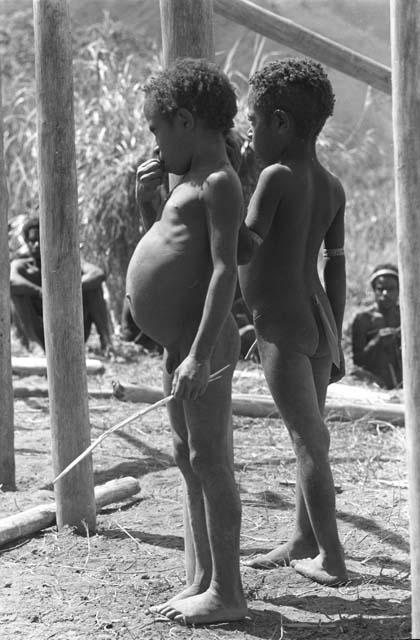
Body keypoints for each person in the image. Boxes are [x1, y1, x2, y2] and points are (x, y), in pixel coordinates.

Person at [125, 59, 247, 624]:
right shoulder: (187, 184)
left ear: (183, 120)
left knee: (210, 459)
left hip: (205, 344)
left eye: (155, 129)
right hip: (181, 344)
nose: (153, 142)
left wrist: (200, 354)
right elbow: (171, 244)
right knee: (184, 455)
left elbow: (225, 271)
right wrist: (148, 203)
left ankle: (228, 590)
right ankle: (201, 577)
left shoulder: (219, 183)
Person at [237, 57, 348, 586]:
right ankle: (304, 538)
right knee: (312, 436)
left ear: (280, 123)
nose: (250, 132)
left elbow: (242, 248)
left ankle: (331, 555)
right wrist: (337, 337)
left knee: (308, 442)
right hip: (318, 320)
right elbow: (337, 264)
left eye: (254, 122)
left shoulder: (274, 178)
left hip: (280, 324)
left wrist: (233, 179)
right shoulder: (331, 185)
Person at [10, 217, 113, 354]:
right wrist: (42, 292)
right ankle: (36, 347)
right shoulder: (22, 266)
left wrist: (67, 289)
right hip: (41, 334)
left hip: (72, 331)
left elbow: (97, 273)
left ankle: (106, 342)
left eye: (40, 240)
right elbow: (11, 281)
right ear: (27, 243)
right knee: (18, 293)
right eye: (32, 241)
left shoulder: (67, 263)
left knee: (93, 287)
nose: (36, 245)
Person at [351, 263, 402, 389]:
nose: (385, 293)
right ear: (374, 290)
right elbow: (358, 361)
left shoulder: (407, 317)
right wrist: (377, 341)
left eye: (391, 289)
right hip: (374, 383)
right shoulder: (363, 319)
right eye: (380, 289)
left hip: (405, 383)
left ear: (399, 290)